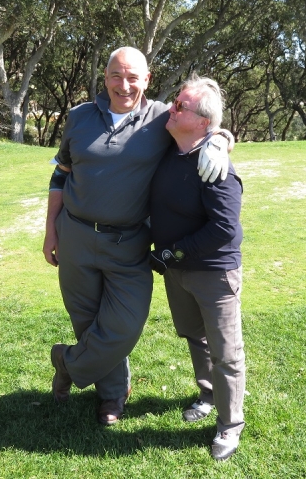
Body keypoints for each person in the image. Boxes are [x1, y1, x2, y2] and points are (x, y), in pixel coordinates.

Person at [42, 47, 233, 425]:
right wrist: (51, 230)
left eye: (133, 77)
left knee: (124, 325)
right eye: (116, 75)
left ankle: (66, 362)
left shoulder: (162, 118)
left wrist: (220, 139)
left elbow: (203, 122)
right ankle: (113, 395)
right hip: (75, 234)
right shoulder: (79, 117)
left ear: (147, 80)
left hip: (129, 242)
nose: (124, 85)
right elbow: (61, 173)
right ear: (105, 77)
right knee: (87, 321)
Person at [148, 74, 245, 461]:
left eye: (181, 106)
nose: (171, 109)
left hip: (213, 272)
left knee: (225, 351)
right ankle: (208, 394)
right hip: (177, 269)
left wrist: (173, 254)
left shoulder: (216, 166)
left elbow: (224, 228)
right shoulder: (171, 148)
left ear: (203, 121)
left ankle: (230, 423)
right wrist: (222, 135)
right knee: (194, 335)